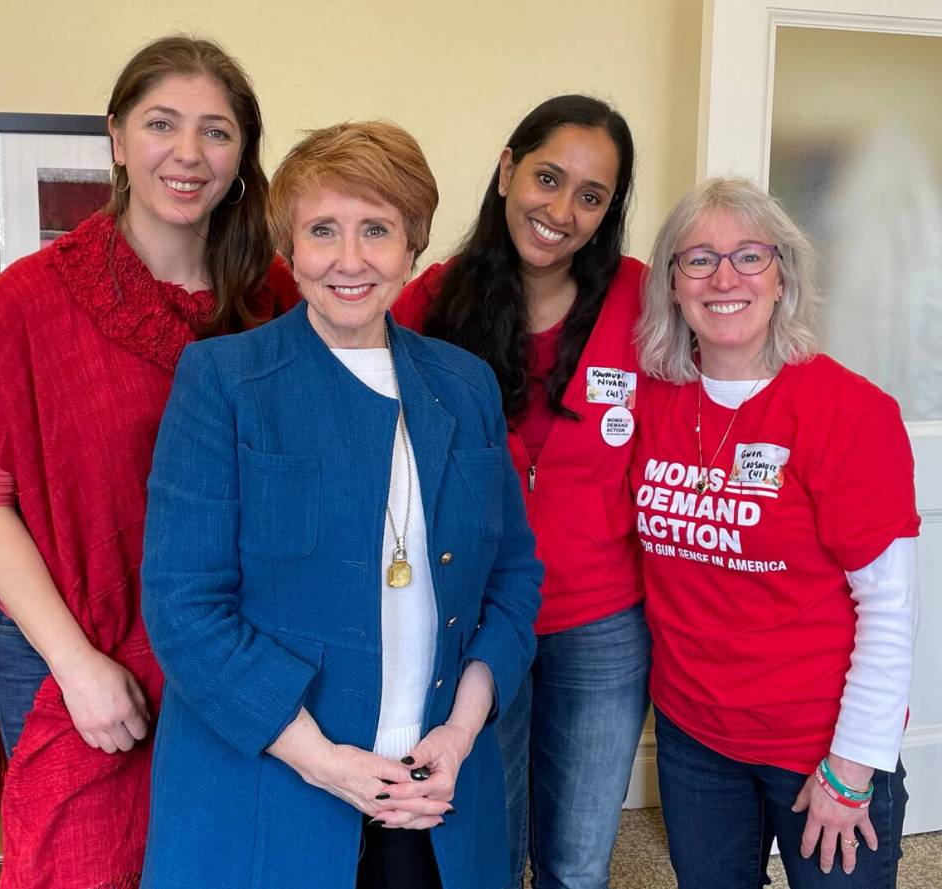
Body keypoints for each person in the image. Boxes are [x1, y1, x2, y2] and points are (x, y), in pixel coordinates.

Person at [138, 120, 542, 889]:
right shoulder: (222, 381)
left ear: (413, 244)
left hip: (435, 794)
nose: (349, 259)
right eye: (323, 229)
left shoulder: (465, 384)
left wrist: (460, 733)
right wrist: (324, 762)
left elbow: (513, 580)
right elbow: (183, 606)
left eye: (377, 230)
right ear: (289, 247)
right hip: (268, 793)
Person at [0, 36, 298, 889]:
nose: (188, 152)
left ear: (243, 155)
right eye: (161, 124)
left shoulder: (274, 298)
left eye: (216, 131)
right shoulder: (28, 302)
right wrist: (77, 666)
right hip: (78, 653)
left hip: (225, 649)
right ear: (117, 137)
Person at [392, 95, 650, 889]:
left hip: (600, 621)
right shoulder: (432, 302)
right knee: (486, 855)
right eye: (548, 178)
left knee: (577, 861)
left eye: (591, 196)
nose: (562, 211)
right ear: (507, 170)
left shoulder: (642, 298)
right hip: (475, 619)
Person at [632, 177, 919, 888]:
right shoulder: (653, 399)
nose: (724, 278)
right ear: (673, 284)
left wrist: (852, 767)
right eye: (699, 259)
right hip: (694, 735)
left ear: (782, 275)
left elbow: (889, 605)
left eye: (749, 256)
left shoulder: (849, 411)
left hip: (819, 742)